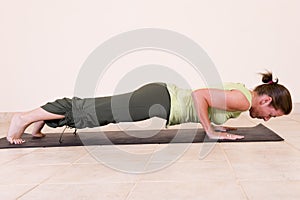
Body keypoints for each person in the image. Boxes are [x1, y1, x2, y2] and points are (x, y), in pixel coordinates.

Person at [6, 71, 292, 144]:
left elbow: (205, 103)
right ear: (266, 101)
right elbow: (200, 95)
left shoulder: (242, 96)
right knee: (95, 111)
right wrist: (210, 132)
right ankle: (25, 117)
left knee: (98, 111)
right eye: (272, 114)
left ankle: (38, 121)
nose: (268, 118)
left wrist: (214, 124)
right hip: (160, 100)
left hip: (160, 98)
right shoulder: (243, 100)